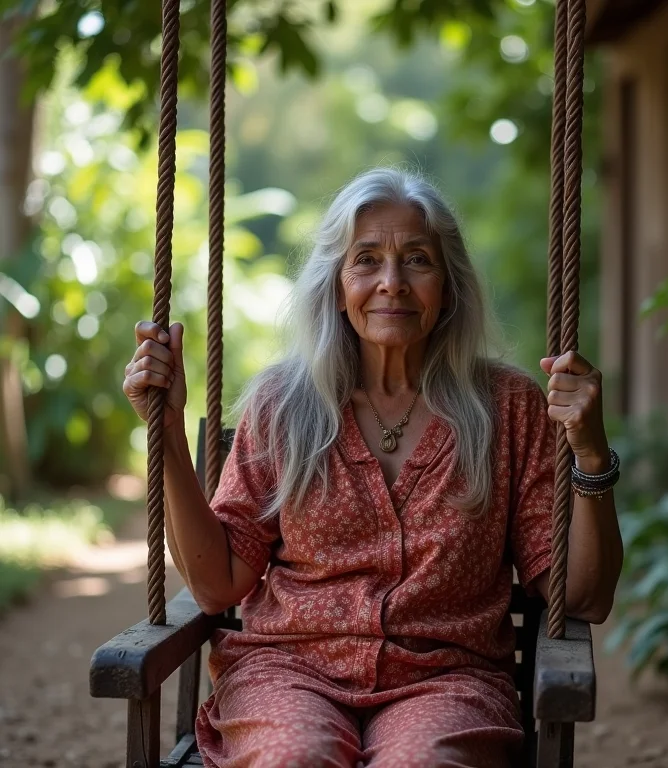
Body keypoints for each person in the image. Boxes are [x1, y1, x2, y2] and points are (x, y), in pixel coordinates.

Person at [123, 168, 623, 768]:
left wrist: (590, 455)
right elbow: (217, 583)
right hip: (290, 675)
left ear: (449, 286)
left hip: (447, 681)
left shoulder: (508, 409)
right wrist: (171, 430)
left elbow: (585, 598)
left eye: (417, 260)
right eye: (366, 260)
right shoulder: (283, 405)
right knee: (295, 760)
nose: (393, 283)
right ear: (337, 285)